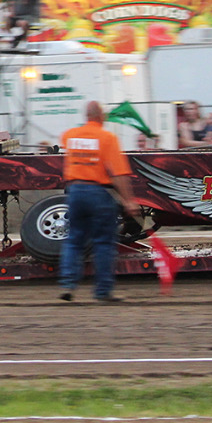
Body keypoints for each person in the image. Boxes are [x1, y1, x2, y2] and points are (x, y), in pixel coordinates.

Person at [58, 101, 141, 304]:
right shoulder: (107, 138)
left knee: (74, 239)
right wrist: (128, 201)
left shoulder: (69, 135)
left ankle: (68, 284)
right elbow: (119, 174)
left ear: (86, 116)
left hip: (75, 191)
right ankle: (103, 291)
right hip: (97, 192)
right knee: (103, 242)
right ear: (102, 117)